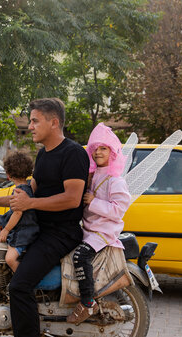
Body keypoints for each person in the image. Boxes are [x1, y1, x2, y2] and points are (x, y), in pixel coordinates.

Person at [0, 98, 89, 337]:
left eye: (34, 120)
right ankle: (28, 329)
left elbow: (72, 199)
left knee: (19, 286)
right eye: (30, 121)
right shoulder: (43, 155)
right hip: (40, 228)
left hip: (60, 233)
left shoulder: (73, 153)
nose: (29, 126)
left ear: (54, 122)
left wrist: (30, 205)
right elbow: (27, 195)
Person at [67, 123, 132, 324]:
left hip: (103, 232)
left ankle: (87, 302)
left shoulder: (115, 180)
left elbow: (118, 210)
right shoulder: (93, 176)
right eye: (95, 149)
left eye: (103, 148)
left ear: (112, 153)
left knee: (80, 256)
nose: (98, 152)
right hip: (88, 229)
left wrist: (93, 202)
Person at [0, 151, 39, 272]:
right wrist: (0, 224)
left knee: (10, 259)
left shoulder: (19, 191)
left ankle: (22, 282)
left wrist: (6, 230)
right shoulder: (27, 187)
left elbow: (17, 213)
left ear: (8, 174)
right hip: (27, 229)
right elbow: (12, 211)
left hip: (23, 233)